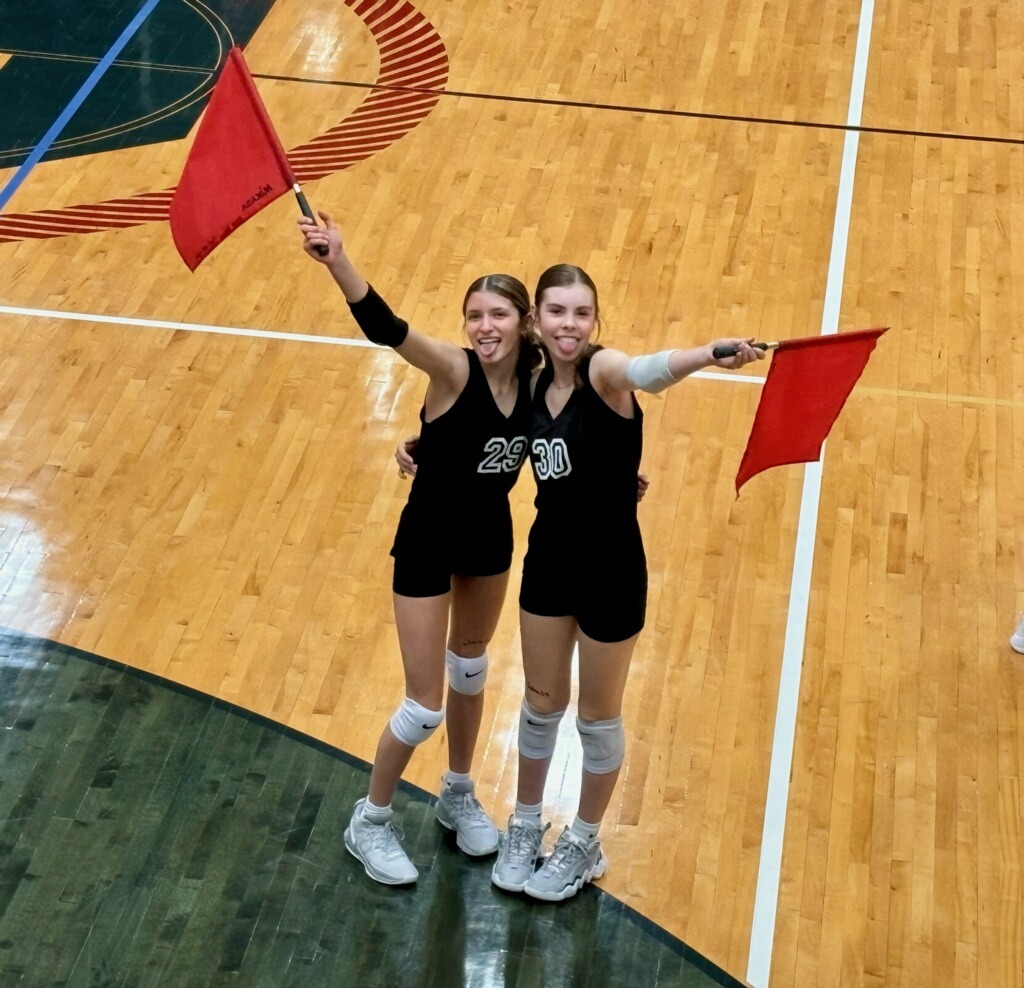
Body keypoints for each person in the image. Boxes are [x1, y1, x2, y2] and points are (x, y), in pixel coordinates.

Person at [483, 263, 764, 902]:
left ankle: (584, 840)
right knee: (539, 704)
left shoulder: (603, 372)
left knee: (596, 718)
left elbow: (647, 371)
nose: (569, 325)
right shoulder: (530, 382)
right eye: (557, 311)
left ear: (595, 320)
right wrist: (422, 442)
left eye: (582, 313)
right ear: (536, 319)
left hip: (611, 571)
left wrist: (709, 354)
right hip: (548, 561)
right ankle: (524, 824)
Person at [299, 210, 541, 885]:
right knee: (424, 703)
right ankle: (370, 820)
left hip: (490, 538)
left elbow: (579, 427)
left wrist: (618, 475)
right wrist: (338, 261)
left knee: (472, 671)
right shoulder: (454, 369)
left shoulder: (540, 384)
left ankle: (458, 793)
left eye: (497, 315)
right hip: (428, 541)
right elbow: (389, 328)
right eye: (474, 316)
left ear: (524, 322)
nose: (484, 327)